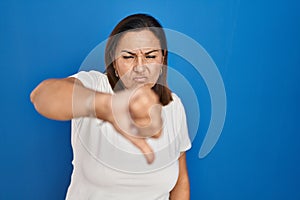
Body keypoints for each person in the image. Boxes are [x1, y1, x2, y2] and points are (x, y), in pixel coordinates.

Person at [30, 13, 191, 200]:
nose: (140, 67)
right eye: (129, 57)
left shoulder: (174, 105)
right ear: (114, 62)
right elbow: (42, 96)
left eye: (150, 56)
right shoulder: (94, 86)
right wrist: (105, 105)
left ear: (162, 59)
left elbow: (181, 181)